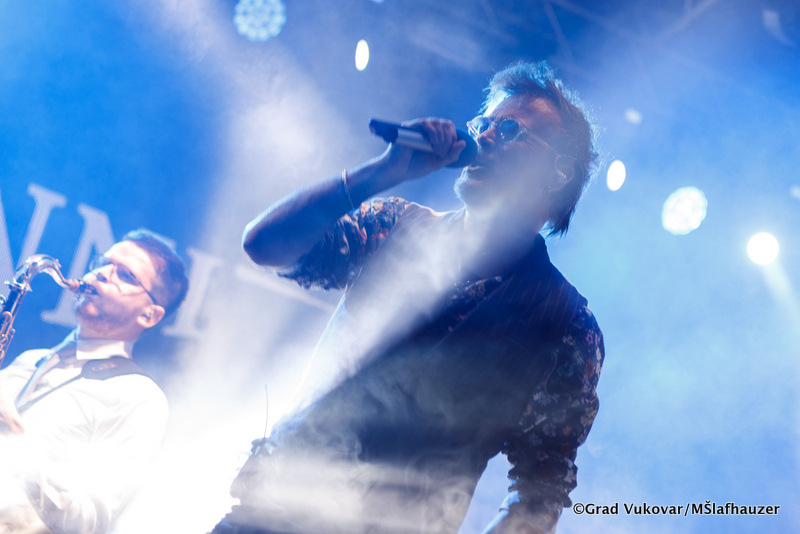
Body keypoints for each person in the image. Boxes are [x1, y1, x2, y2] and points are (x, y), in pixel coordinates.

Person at [217, 61, 605, 534]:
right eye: (483, 124)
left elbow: (540, 490)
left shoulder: (567, 327)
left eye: (509, 131)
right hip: (268, 512)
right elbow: (264, 245)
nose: (484, 138)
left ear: (557, 173)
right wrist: (383, 171)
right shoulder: (394, 225)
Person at [0, 229, 189, 534]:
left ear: (149, 315)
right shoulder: (29, 360)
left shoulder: (141, 399)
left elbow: (88, 521)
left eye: (125, 275)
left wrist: (13, 433)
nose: (101, 273)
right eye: (102, 262)